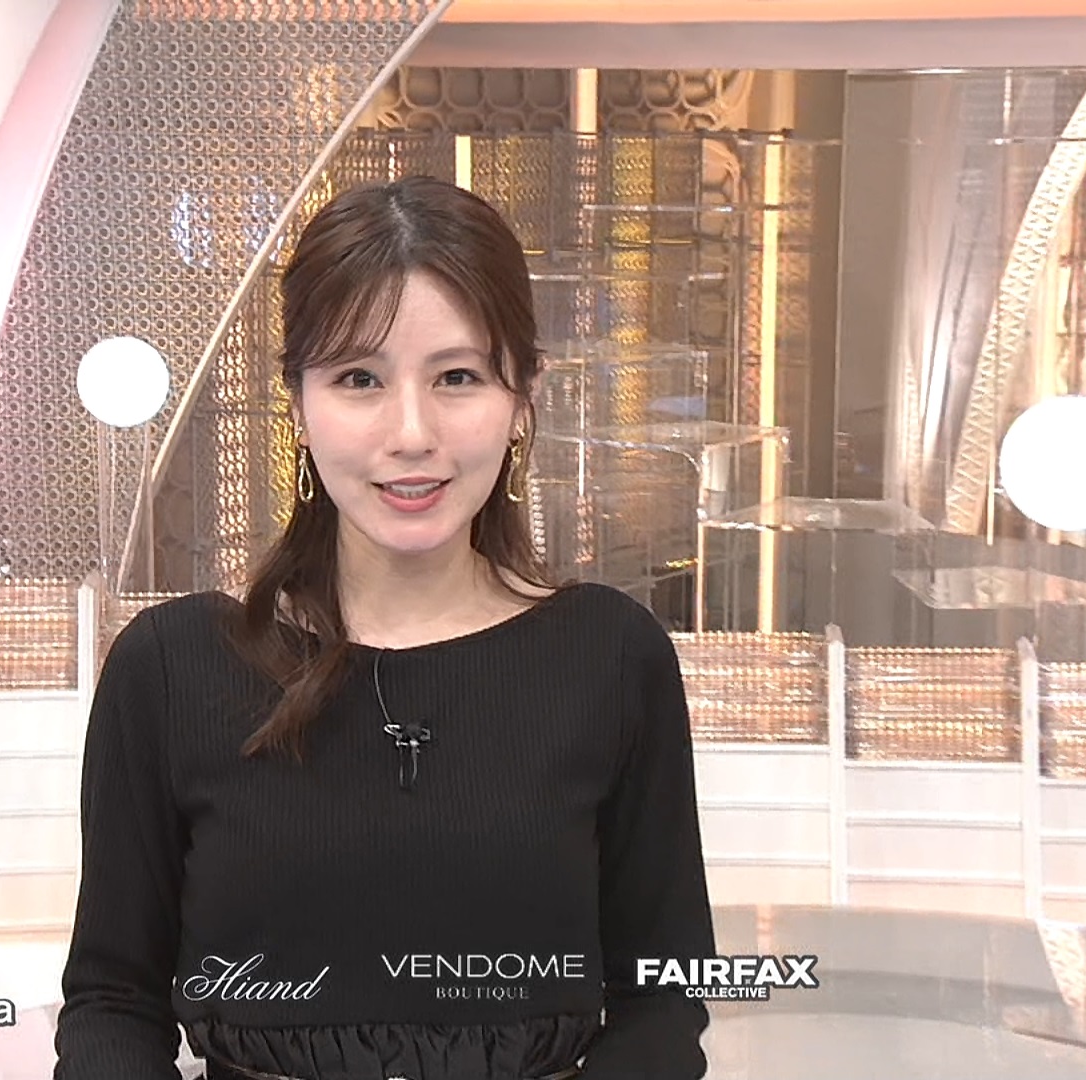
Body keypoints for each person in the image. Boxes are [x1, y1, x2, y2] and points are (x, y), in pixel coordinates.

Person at [54, 176, 716, 1080]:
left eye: (458, 377)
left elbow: (662, 998)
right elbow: (112, 1005)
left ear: (523, 398)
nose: (411, 433)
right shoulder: (171, 669)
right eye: (358, 378)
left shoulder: (613, 657)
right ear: (298, 404)